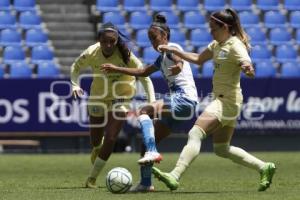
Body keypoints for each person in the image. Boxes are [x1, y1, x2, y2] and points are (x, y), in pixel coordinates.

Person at [151, 8, 276, 192]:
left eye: (213, 28)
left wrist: (248, 68)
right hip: (227, 101)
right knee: (221, 148)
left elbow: (247, 63)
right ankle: (264, 167)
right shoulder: (216, 45)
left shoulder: (235, 45)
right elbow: (198, 59)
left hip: (227, 102)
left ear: (225, 27)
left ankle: (174, 175)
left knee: (195, 133)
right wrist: (172, 49)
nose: (211, 31)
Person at [101, 14, 199, 192]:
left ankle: (153, 151)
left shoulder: (171, 48)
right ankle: (146, 183)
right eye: (150, 40)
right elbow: (143, 71)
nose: (153, 43)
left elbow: (177, 58)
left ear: (165, 36)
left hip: (184, 98)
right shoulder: (161, 59)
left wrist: (179, 65)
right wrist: (116, 68)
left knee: (143, 111)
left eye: (155, 38)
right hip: (185, 107)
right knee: (145, 143)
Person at [70, 22, 156, 189]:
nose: (108, 45)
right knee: (96, 140)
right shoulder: (91, 52)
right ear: (99, 40)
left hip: (121, 97)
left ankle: (92, 178)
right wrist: (74, 84)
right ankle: (97, 148)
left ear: (117, 40)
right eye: (105, 41)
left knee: (111, 137)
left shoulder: (126, 55)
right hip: (98, 96)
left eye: (112, 41)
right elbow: (75, 67)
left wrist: (151, 101)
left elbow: (145, 76)